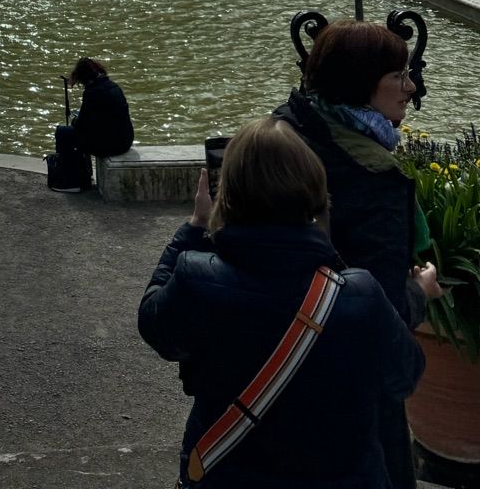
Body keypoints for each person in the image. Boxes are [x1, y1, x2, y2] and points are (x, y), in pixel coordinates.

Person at [139, 118, 425, 488]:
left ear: (228, 193)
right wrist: (418, 295)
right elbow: (405, 375)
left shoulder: (197, 280)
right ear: (315, 192)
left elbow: (152, 323)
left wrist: (194, 227)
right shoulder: (359, 295)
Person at [273, 20, 441, 488]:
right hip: (349, 399)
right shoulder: (371, 176)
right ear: (362, 86)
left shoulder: (284, 127)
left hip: (273, 373)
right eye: (399, 76)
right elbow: (382, 316)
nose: (411, 88)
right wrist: (420, 290)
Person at [52, 56, 134, 189]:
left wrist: (74, 120)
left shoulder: (92, 93)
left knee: (63, 132)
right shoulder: (114, 86)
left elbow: (81, 125)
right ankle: (84, 174)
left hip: (111, 146)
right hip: (126, 140)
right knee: (81, 134)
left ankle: (70, 181)